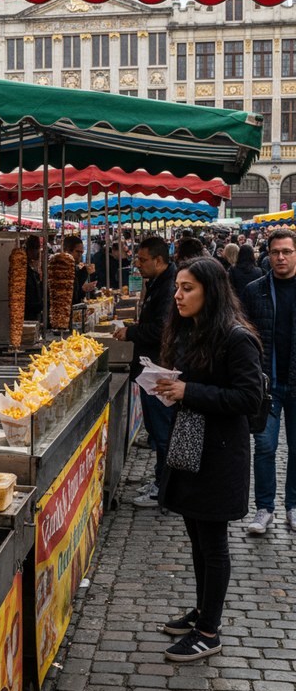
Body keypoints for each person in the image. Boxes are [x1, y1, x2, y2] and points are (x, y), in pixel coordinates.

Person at [153, 257, 262, 661]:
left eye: (187, 288)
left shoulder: (237, 337)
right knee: (197, 539)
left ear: (210, 291)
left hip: (219, 456)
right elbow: (197, 386)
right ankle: (202, 611)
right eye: (178, 287)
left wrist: (189, 393)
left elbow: (247, 399)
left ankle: (209, 632)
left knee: (213, 544)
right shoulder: (193, 332)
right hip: (191, 448)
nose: (178, 296)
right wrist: (170, 386)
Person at [114, 236, 177, 506]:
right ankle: (161, 481)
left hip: (159, 369)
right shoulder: (158, 283)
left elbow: (162, 329)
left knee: (163, 433)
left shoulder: (168, 286)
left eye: (141, 260)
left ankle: (165, 489)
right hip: (150, 368)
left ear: (158, 260)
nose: (136, 264)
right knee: (156, 430)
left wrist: (131, 332)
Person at [241, 228, 296, 534]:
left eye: (287, 251)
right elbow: (245, 336)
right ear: (267, 254)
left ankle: (293, 505)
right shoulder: (255, 290)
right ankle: (264, 508)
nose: (280, 257)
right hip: (267, 384)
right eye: (275, 252)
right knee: (264, 446)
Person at [61, 235, 97, 306]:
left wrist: (85, 289)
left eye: (81, 253)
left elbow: (77, 292)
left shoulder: (74, 268)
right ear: (68, 251)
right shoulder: (61, 268)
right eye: (78, 252)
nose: (80, 256)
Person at [24, 235, 42, 320]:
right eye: (36, 248)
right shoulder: (25, 272)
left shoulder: (30, 271)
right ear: (28, 250)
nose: (38, 252)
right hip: (28, 317)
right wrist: (43, 305)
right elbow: (28, 301)